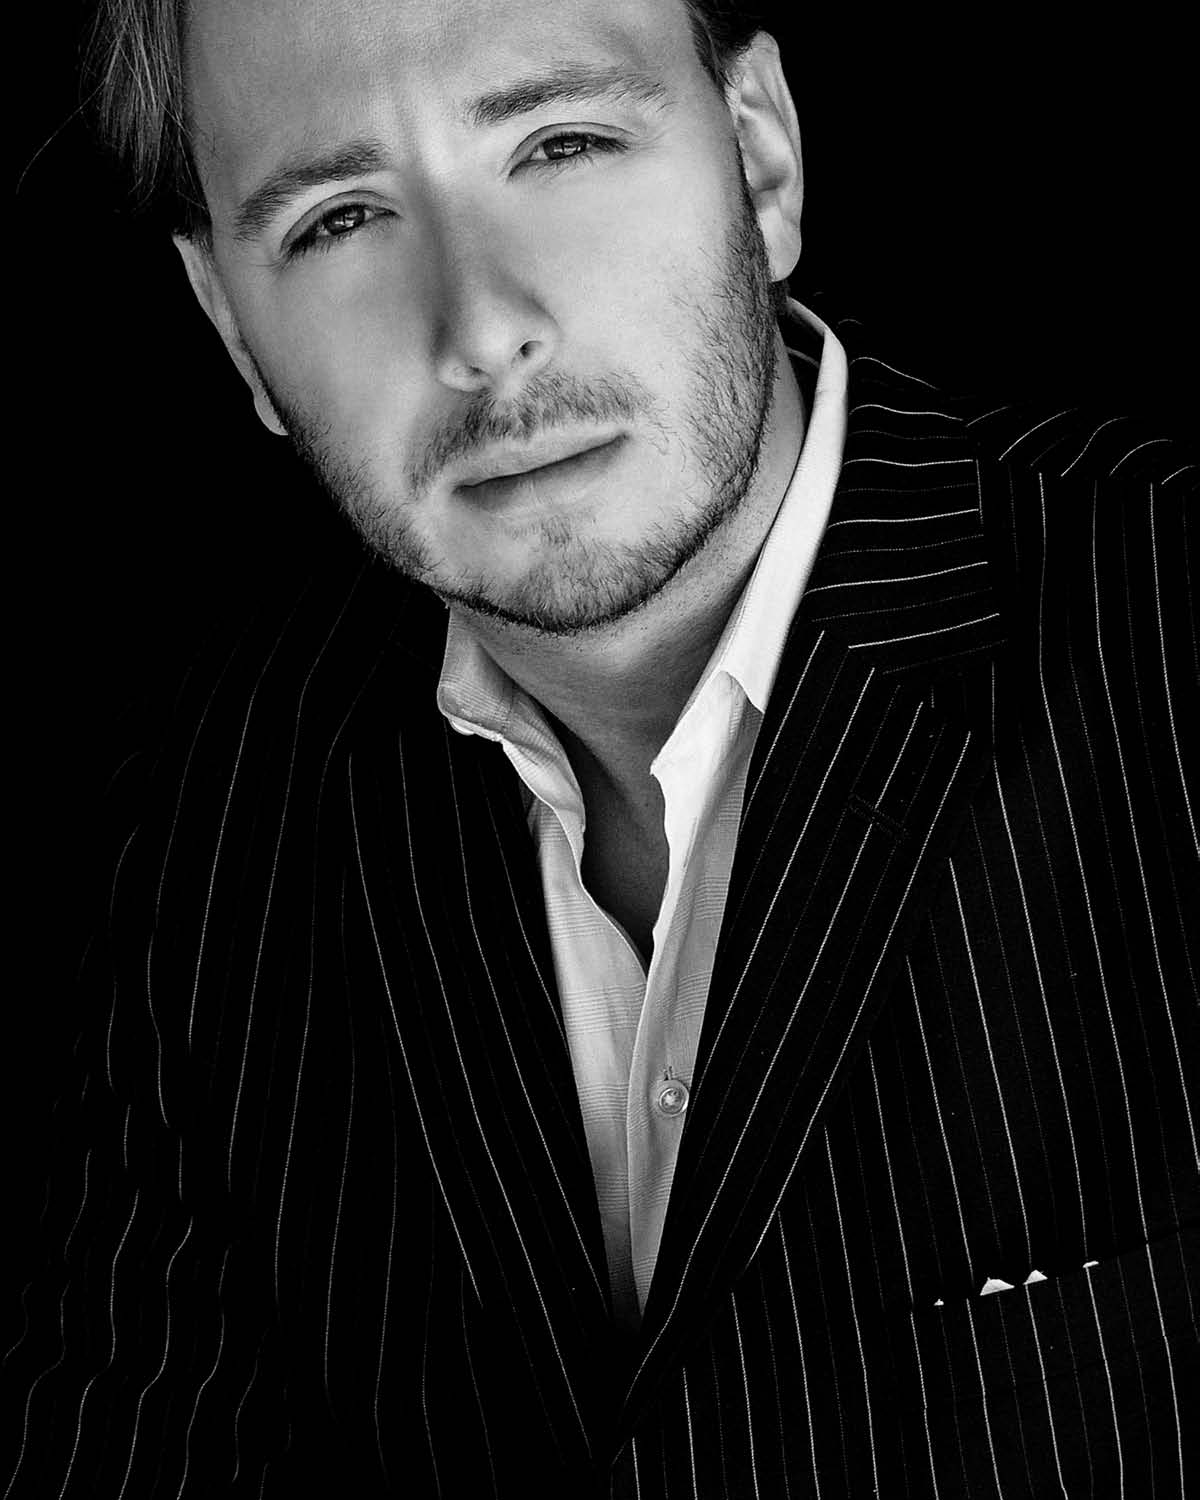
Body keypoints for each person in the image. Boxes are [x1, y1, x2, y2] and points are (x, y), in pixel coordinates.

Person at [5, 0, 1197, 1493]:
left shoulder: (1172, 641)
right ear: (233, 327)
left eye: (560, 144)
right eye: (339, 219)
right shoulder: (219, 805)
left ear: (760, 158)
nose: (480, 329)